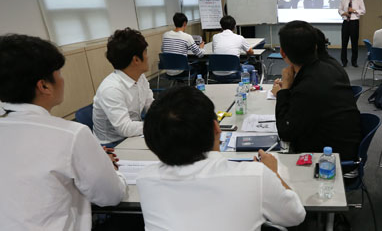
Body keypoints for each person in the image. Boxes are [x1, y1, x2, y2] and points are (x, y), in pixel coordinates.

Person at [0, 34, 126, 230]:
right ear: (44, 86)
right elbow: (110, 196)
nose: (62, 78)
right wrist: (109, 169)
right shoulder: (71, 135)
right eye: (58, 72)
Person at [137, 86, 306, 230]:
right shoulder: (255, 176)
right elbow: (295, 215)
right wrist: (273, 173)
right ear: (216, 128)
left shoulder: (145, 179)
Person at [272, 21, 362, 164]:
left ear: (283, 53)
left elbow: (286, 132)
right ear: (315, 47)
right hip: (344, 144)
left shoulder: (308, 86)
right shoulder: (326, 67)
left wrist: (284, 92)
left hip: (331, 159)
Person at [93, 28, 154, 147]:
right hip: (112, 144)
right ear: (136, 60)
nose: (147, 56)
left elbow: (150, 104)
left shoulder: (139, 77)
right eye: (145, 52)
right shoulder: (111, 89)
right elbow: (124, 128)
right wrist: (157, 124)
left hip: (133, 133)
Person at [339, 0, 366, 67]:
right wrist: (344, 13)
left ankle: (354, 61)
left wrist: (354, 10)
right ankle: (344, 61)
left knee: (354, 43)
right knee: (344, 43)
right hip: (345, 22)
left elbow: (363, 11)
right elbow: (339, 10)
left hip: (354, 22)